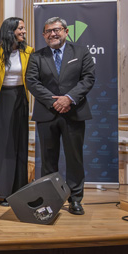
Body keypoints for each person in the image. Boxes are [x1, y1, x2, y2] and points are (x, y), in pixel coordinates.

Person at [26, 17, 95, 216]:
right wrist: (54, 101)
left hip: (74, 112)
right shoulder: (37, 56)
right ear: (43, 35)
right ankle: (50, 201)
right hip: (47, 114)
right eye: (48, 31)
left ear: (65, 31)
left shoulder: (80, 52)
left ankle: (75, 200)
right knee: (48, 160)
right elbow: (32, 81)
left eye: (56, 30)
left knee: (74, 158)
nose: (52, 34)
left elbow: (88, 78)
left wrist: (69, 98)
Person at [0, 17, 32, 206]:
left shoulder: (29, 52)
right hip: (0, 101)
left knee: (20, 145)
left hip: (21, 99)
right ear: (10, 30)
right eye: (20, 28)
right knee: (2, 147)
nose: (24, 31)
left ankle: (19, 191)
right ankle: (2, 191)